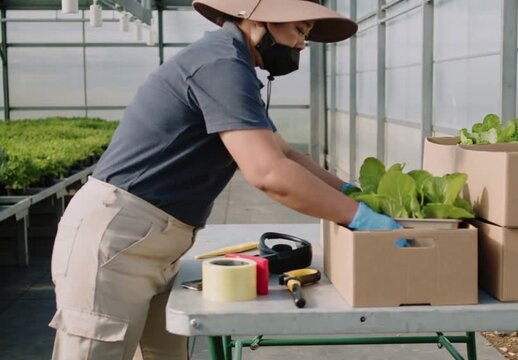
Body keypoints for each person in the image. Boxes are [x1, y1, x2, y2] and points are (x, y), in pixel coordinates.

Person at [49, 0, 401, 359]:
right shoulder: (221, 63)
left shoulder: (235, 66)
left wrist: (347, 191)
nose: (301, 45)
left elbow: (285, 155)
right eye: (299, 29)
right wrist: (358, 219)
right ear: (258, 18)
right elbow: (268, 173)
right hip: (117, 241)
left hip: (153, 243)